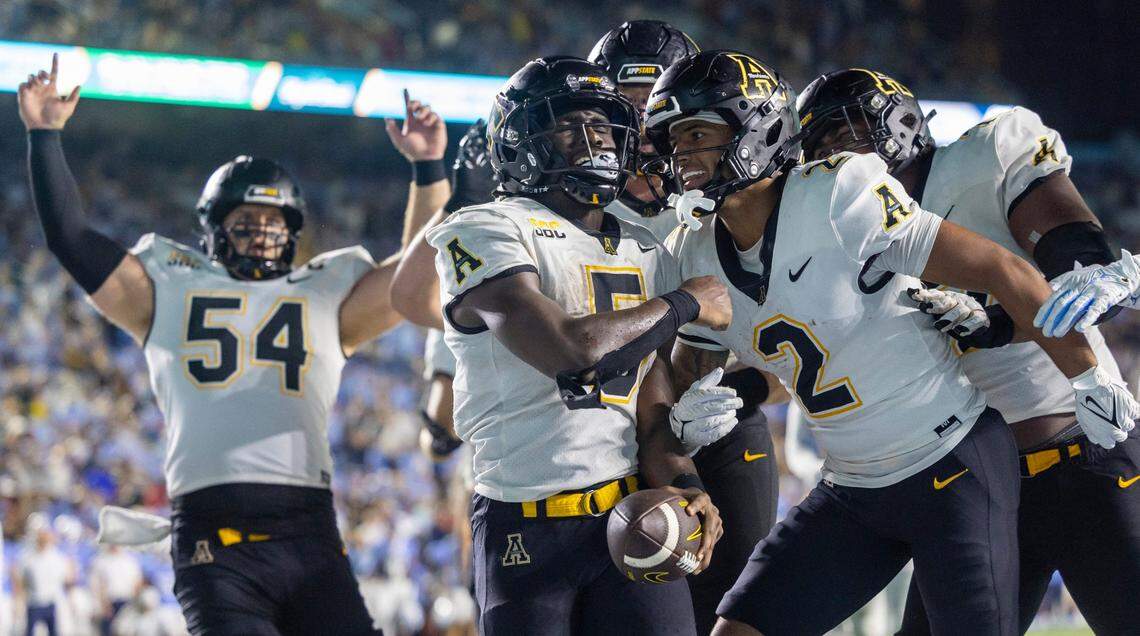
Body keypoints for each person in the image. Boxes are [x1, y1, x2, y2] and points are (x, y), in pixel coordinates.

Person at [643, 49, 1137, 635]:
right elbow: (810, 356)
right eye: (824, 140)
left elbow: (1034, 260)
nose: (842, 149)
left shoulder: (872, 185)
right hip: (880, 475)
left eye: (697, 133)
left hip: (1026, 449)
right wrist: (711, 405)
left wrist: (1088, 364)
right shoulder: (721, 240)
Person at [17, 54, 448, 635]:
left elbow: (415, 278)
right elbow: (70, 238)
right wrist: (44, 135)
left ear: (294, 231)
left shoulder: (325, 293)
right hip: (212, 534)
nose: (262, 230)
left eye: (274, 219)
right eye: (246, 218)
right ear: (214, 226)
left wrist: (428, 168)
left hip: (308, 529)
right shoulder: (167, 285)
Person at [797, 67, 1140, 634]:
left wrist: (1079, 277)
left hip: (1083, 449)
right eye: (820, 145)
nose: (836, 153)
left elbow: (1075, 266)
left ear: (899, 119)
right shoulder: (837, 237)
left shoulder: (985, 155)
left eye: (844, 130)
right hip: (977, 484)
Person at [425, 55, 733, 635]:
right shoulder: (485, 228)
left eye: (604, 124)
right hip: (524, 524)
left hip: (631, 512)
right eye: (571, 124)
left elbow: (650, 410)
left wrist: (688, 485)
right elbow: (569, 351)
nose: (597, 139)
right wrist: (684, 302)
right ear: (520, 142)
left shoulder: (645, 248)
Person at [589, 21, 781, 634]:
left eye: (656, 104)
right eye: (626, 104)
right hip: (615, 437)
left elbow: (795, 349)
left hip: (720, 426)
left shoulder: (730, 196)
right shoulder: (579, 205)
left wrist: (728, 394)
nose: (644, 123)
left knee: (740, 608)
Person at [13, 524, 73, 636]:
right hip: (34, 602)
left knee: (55, 631)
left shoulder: (57, 557)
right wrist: (19, 600)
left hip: (52, 602)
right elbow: (19, 579)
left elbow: (68, 579)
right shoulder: (28, 557)